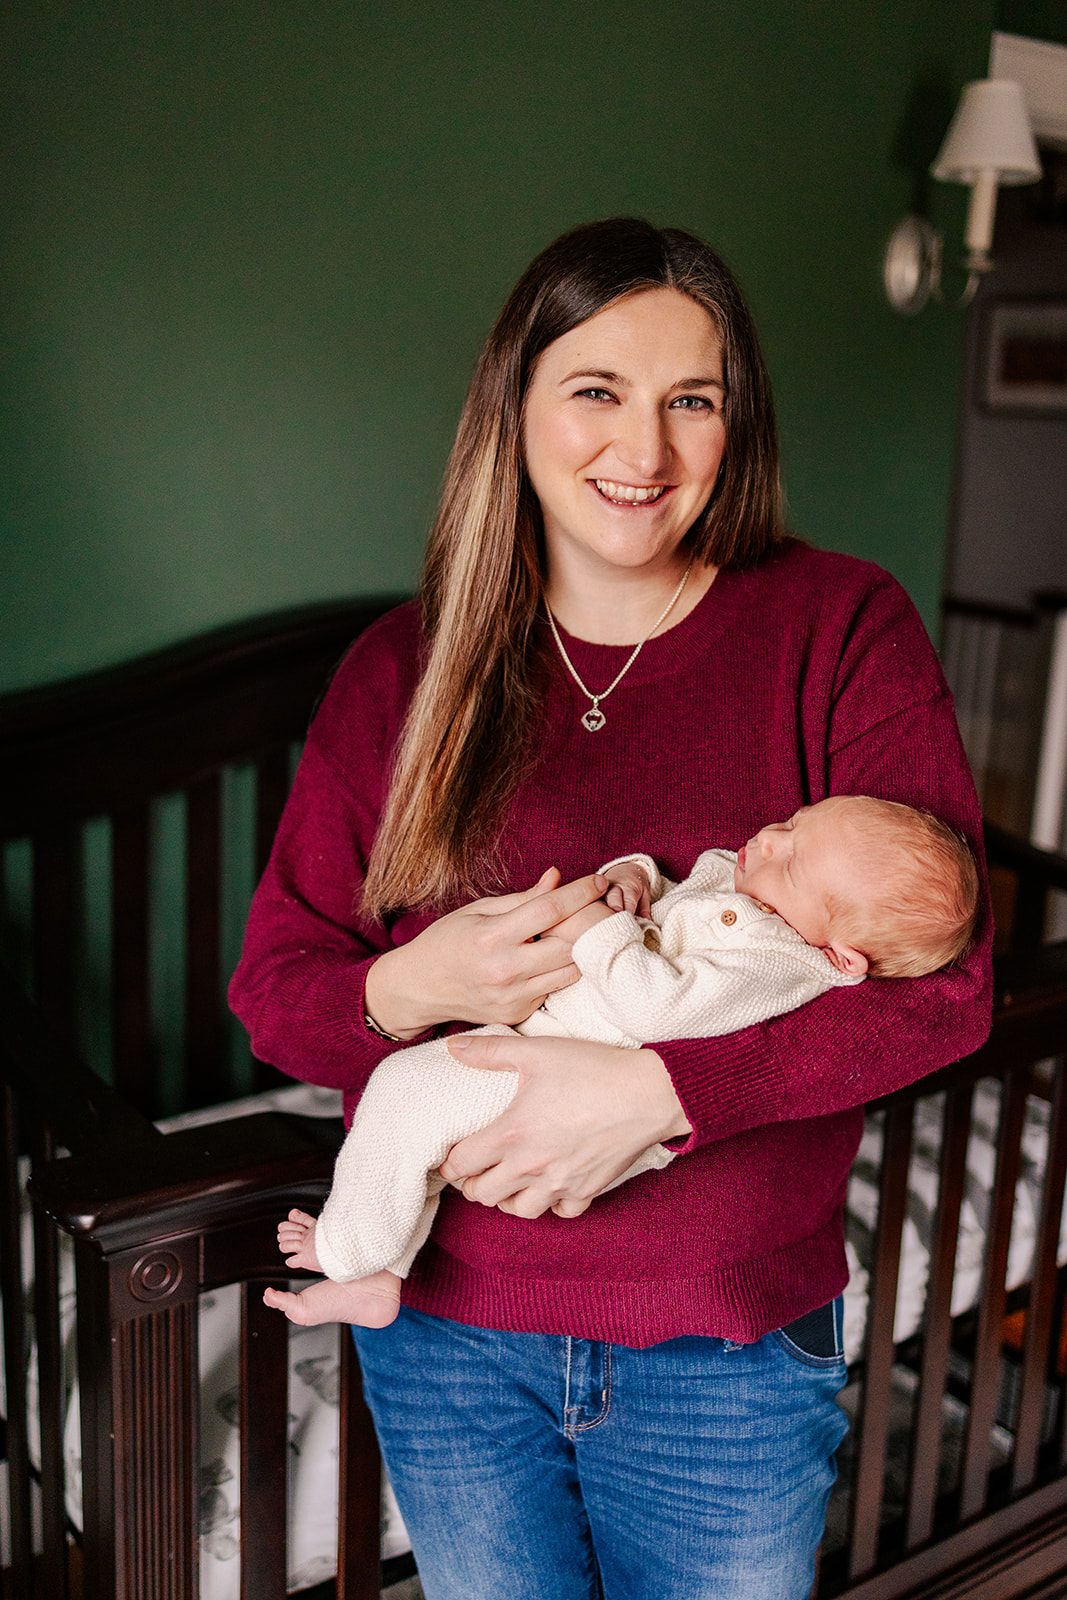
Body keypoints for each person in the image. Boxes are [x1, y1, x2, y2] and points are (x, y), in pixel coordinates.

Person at [229, 217, 992, 1600]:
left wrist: (658, 1091)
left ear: (732, 422)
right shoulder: (401, 671)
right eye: (596, 390)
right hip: (448, 1337)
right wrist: (413, 988)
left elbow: (941, 993)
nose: (642, 451)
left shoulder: (833, 625)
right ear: (512, 405)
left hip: (724, 1350)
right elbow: (277, 986)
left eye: (688, 401)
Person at [261, 795, 979, 1331]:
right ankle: (383, 1276)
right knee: (422, 1134)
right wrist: (630, 880)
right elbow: (676, 892)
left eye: (792, 857)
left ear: (839, 955)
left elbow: (656, 1009)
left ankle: (349, 1246)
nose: (769, 837)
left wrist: (600, 929)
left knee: (404, 1091)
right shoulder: (748, 894)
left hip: (562, 1087)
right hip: (541, 1052)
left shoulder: (778, 962)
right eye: (794, 822)